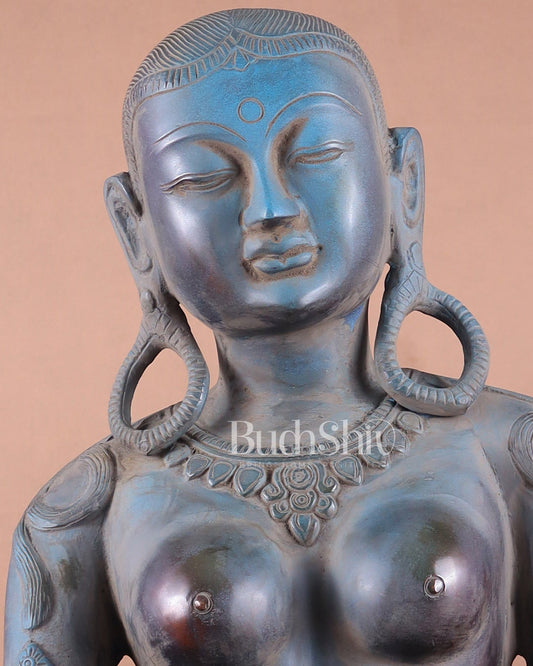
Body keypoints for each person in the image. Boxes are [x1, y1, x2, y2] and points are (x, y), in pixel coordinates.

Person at [4, 9, 533, 665]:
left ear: (405, 182)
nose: (271, 208)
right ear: (135, 228)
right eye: (204, 177)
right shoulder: (88, 514)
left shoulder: (507, 461)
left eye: (316, 154)